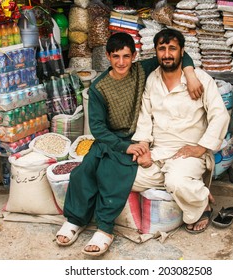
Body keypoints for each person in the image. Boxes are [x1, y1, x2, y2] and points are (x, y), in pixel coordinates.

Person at [55, 32, 204, 256]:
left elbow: (176, 55)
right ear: (108, 56)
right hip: (111, 139)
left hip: (138, 137)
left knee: (110, 172)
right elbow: (98, 128)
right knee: (84, 170)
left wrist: (190, 74)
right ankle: (76, 219)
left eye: (126, 56)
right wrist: (123, 147)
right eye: (116, 57)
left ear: (134, 56)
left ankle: (105, 228)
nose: (121, 62)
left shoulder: (141, 70)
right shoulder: (99, 87)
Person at [131, 29, 230, 234]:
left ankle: (201, 205)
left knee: (175, 180)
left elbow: (220, 115)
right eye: (162, 49)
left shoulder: (199, 78)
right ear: (156, 52)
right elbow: (144, 117)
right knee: (127, 177)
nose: (167, 54)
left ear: (182, 51)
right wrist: (143, 146)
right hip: (159, 152)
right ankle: (193, 191)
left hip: (190, 153)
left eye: (172, 49)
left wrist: (200, 148)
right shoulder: (152, 80)